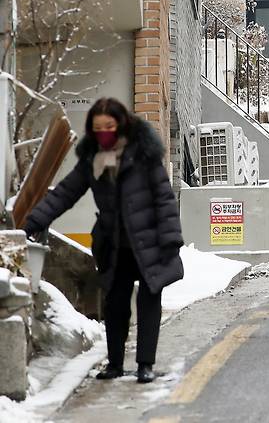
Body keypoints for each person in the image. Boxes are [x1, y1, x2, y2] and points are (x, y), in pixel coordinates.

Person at [23, 98, 184, 383]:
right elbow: (64, 194)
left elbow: (164, 197)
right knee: (115, 304)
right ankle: (115, 364)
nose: (105, 133)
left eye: (110, 127)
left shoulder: (143, 153)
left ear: (121, 124)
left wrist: (171, 238)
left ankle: (145, 364)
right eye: (99, 129)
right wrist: (32, 223)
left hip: (149, 241)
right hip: (114, 245)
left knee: (149, 302)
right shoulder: (92, 160)